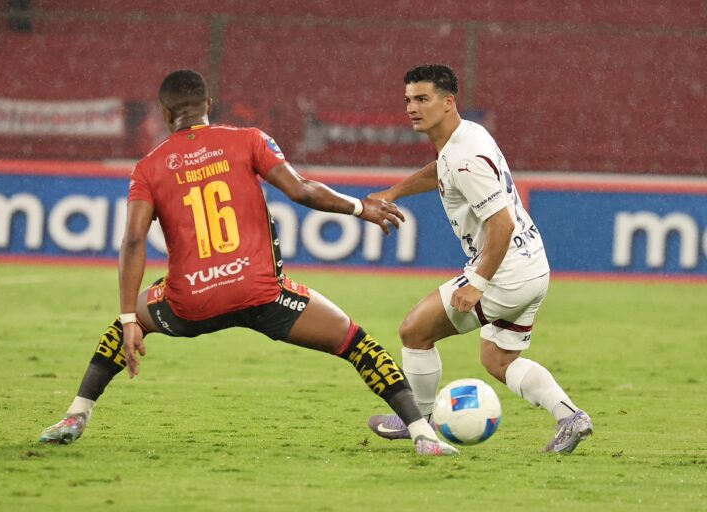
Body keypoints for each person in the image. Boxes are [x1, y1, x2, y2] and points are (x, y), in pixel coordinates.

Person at [39, 69, 458, 456]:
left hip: (189, 302)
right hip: (263, 295)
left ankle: (77, 414)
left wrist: (131, 315)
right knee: (356, 344)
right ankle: (423, 434)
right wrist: (359, 208)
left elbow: (132, 239)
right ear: (209, 103)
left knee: (123, 324)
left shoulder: (148, 167)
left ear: (166, 114)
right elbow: (302, 191)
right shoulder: (247, 139)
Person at [367, 64, 593, 453]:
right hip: (532, 265)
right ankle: (570, 416)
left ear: (448, 102)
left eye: (422, 99)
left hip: (504, 271)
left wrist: (478, 282)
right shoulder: (466, 135)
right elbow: (440, 170)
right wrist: (394, 192)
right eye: (408, 100)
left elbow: (501, 223)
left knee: (414, 332)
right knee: (499, 360)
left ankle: (415, 421)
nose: (412, 108)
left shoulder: (464, 157)